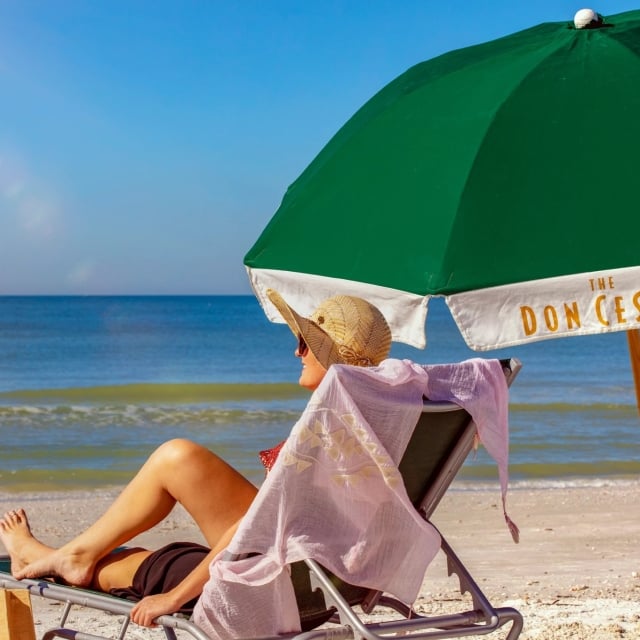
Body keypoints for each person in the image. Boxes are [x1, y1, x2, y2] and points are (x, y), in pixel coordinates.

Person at [0, 289, 392, 628]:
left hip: (277, 589)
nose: (297, 350)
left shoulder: (326, 430)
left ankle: (56, 557)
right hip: (319, 575)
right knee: (178, 456)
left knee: (145, 566)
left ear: (333, 356)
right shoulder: (380, 418)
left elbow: (253, 525)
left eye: (307, 344)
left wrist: (175, 598)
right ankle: (72, 556)